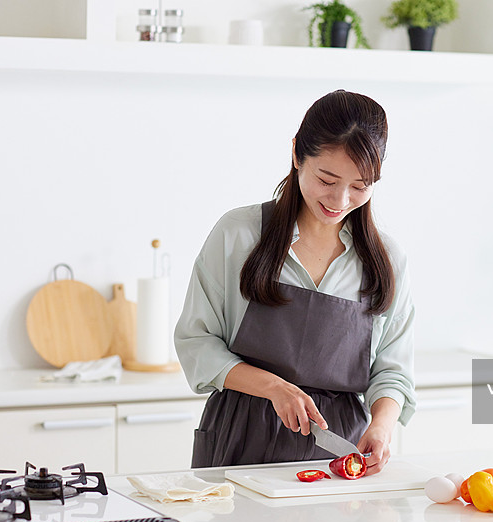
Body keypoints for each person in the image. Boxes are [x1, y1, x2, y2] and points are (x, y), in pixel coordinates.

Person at [174, 89, 415, 475]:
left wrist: (382, 426)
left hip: (339, 453)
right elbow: (197, 342)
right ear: (296, 154)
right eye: (327, 178)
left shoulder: (386, 260)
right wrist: (274, 388)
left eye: (360, 185)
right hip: (239, 440)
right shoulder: (238, 234)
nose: (340, 199)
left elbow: (393, 370)